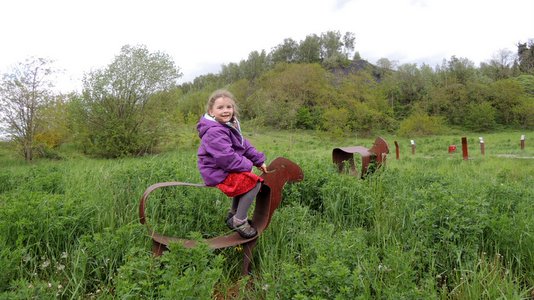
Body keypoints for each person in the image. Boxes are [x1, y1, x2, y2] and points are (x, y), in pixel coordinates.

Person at [197, 89, 268, 238]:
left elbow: (243, 145)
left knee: (245, 178)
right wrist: (248, 165)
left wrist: (258, 160)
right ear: (211, 111)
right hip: (216, 170)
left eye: (229, 107)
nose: (225, 111)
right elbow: (226, 158)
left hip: (223, 167)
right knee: (254, 183)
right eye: (220, 107)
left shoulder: (230, 125)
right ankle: (240, 221)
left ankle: (233, 214)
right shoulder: (214, 131)